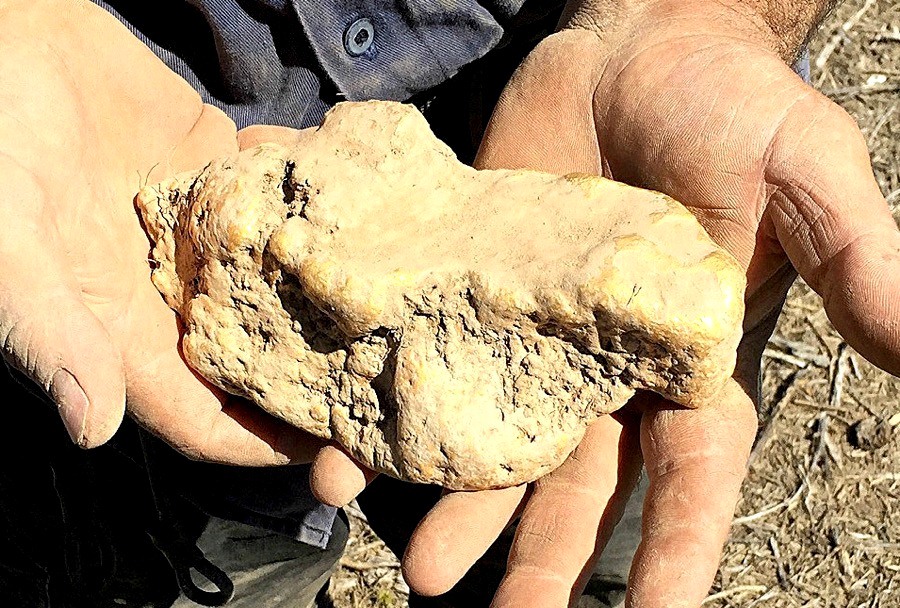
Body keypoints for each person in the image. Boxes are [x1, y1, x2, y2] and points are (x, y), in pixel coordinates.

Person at [0, 0, 896, 606]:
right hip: (138, 119)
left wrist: (710, 11)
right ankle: (245, 558)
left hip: (595, 108)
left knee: (575, 546)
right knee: (222, 520)